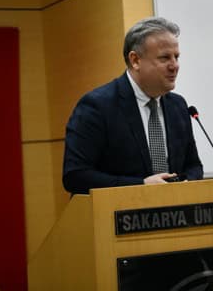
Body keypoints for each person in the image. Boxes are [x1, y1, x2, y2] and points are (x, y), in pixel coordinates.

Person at [63, 17, 204, 194]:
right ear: (135, 60)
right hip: (118, 210)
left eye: (176, 57)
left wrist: (188, 181)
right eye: (165, 58)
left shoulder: (178, 106)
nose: (174, 66)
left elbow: (193, 165)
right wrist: (141, 185)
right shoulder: (97, 106)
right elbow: (75, 176)